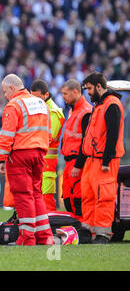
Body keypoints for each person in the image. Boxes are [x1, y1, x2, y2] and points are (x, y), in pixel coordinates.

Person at [0, 74, 53, 246]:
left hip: (20, 155)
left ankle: (27, 239)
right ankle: (45, 237)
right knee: (37, 194)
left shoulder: (14, 105)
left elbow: (7, 135)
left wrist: (1, 159)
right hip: (40, 154)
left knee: (23, 196)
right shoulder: (41, 103)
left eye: (5, 91)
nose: (5, 95)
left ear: (12, 88)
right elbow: (49, 133)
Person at [80, 72, 125, 244]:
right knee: (89, 195)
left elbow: (113, 135)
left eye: (90, 89)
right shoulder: (100, 104)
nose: (88, 93)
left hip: (104, 161)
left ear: (99, 86)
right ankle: (89, 231)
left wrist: (106, 160)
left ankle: (103, 234)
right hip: (93, 159)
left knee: (103, 196)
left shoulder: (111, 104)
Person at [30, 79, 65, 211]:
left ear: (46, 95)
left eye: (38, 98)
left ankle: (51, 229)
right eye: (32, 97)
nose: (35, 101)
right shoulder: (39, 108)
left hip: (47, 164)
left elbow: (47, 138)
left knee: (46, 200)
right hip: (38, 162)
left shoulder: (53, 112)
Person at [60, 79, 92, 220]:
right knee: (67, 198)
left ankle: (82, 229)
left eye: (65, 93)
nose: (63, 97)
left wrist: (78, 165)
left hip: (76, 163)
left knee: (77, 197)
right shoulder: (73, 110)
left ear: (75, 92)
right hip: (69, 162)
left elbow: (86, 142)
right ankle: (75, 228)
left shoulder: (85, 112)